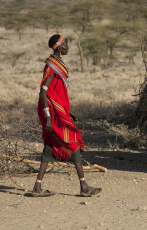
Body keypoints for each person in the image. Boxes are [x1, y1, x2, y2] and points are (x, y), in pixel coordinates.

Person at [30, 34, 101, 197]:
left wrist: (68, 111)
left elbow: (56, 92)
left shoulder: (56, 64)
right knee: (73, 143)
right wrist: (48, 116)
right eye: (66, 45)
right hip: (51, 113)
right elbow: (43, 91)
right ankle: (83, 187)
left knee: (50, 146)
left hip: (57, 111)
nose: (68, 48)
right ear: (58, 47)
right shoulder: (52, 66)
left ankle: (37, 188)